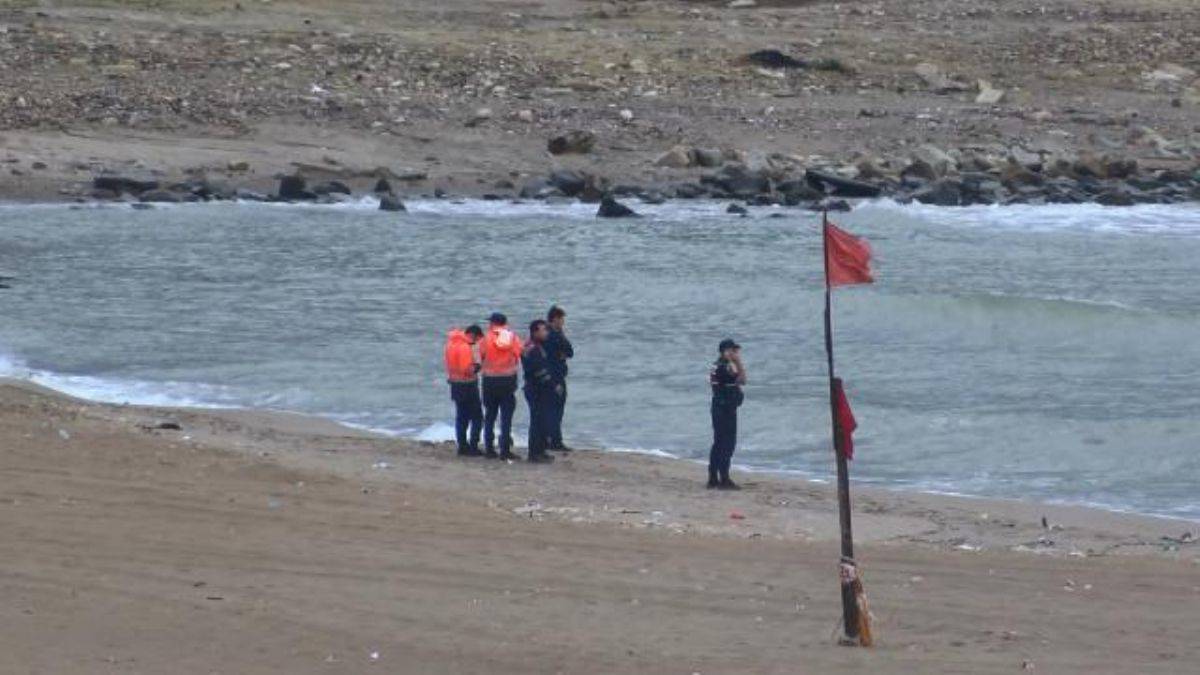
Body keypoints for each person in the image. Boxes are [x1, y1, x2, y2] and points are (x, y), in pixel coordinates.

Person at [479, 312, 523, 460]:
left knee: (490, 415)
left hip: (489, 381)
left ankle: (489, 449)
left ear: (493, 323)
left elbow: (480, 356)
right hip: (508, 381)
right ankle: (505, 450)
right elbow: (519, 354)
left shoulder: (486, 338)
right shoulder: (512, 337)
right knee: (506, 417)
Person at [708, 338, 747, 489]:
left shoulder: (717, 366)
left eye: (736, 351)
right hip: (725, 409)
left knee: (719, 442)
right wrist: (738, 363)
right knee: (727, 443)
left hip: (720, 407)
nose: (735, 354)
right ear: (725, 351)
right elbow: (742, 380)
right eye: (732, 351)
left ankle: (713, 477)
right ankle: (723, 477)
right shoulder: (725, 367)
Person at [521, 319, 560, 464]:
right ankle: (534, 453)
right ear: (535, 332)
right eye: (543, 330)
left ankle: (540, 450)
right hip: (536, 388)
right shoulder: (533, 349)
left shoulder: (535, 346)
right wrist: (553, 385)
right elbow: (539, 371)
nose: (546, 333)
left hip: (537, 387)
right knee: (537, 421)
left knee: (541, 420)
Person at [443, 324, 484, 456]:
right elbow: (468, 370)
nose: (476, 343)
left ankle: (462, 445)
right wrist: (478, 366)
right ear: (473, 335)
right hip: (468, 384)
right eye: (477, 340)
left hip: (455, 384)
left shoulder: (450, 344)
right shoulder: (466, 347)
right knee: (477, 417)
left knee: (461, 416)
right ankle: (473, 446)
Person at [543, 305, 574, 451]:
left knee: (553, 409)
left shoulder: (553, 333)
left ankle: (551, 438)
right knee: (555, 409)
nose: (563, 322)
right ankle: (554, 440)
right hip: (554, 376)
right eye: (561, 319)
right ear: (555, 319)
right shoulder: (552, 335)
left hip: (554, 375)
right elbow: (566, 351)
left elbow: (569, 352)